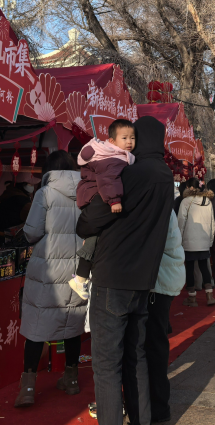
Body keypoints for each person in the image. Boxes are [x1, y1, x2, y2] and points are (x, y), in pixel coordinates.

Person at [90, 116, 174, 425]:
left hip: (113, 275)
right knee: (135, 356)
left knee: (107, 363)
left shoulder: (131, 173)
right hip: (144, 280)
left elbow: (88, 221)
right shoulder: (165, 175)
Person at [15, 151, 86, 408]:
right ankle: (71, 379)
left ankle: (28, 388)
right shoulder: (85, 193)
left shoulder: (44, 193)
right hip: (77, 267)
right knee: (72, 322)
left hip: (47, 268)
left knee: (36, 326)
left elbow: (32, 232)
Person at [71, 119, 136, 300]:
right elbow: (108, 180)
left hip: (90, 194)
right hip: (96, 196)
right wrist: (114, 201)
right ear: (112, 141)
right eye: (124, 138)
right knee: (94, 236)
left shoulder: (111, 154)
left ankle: (81, 278)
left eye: (132, 138)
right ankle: (80, 278)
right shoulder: (113, 158)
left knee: (94, 236)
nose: (129, 142)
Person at [146, 210, 186, 424]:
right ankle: (156, 405)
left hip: (157, 281)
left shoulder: (155, 203)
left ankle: (158, 407)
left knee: (154, 345)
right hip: (163, 278)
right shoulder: (162, 202)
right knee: (155, 342)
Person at [177, 178, 215, 307]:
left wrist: (179, 239)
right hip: (204, 240)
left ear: (190, 187)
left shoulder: (186, 201)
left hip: (189, 240)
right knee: (204, 266)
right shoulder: (207, 201)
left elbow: (181, 222)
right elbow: (212, 223)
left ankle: (192, 297)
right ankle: (209, 295)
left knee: (190, 268)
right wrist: (210, 240)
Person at [0, 172, 36, 245]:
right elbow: (37, 218)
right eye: (30, 184)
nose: (32, 186)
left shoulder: (10, 195)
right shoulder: (21, 201)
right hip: (3, 242)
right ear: (22, 185)